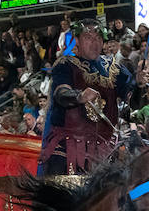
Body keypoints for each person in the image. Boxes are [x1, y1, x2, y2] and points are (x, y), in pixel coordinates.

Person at [37, 19, 129, 176]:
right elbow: (61, 93)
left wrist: (140, 83)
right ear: (77, 40)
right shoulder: (65, 64)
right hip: (69, 145)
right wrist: (79, 96)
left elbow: (130, 93)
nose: (95, 43)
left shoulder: (115, 68)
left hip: (105, 149)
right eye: (88, 38)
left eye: (99, 38)